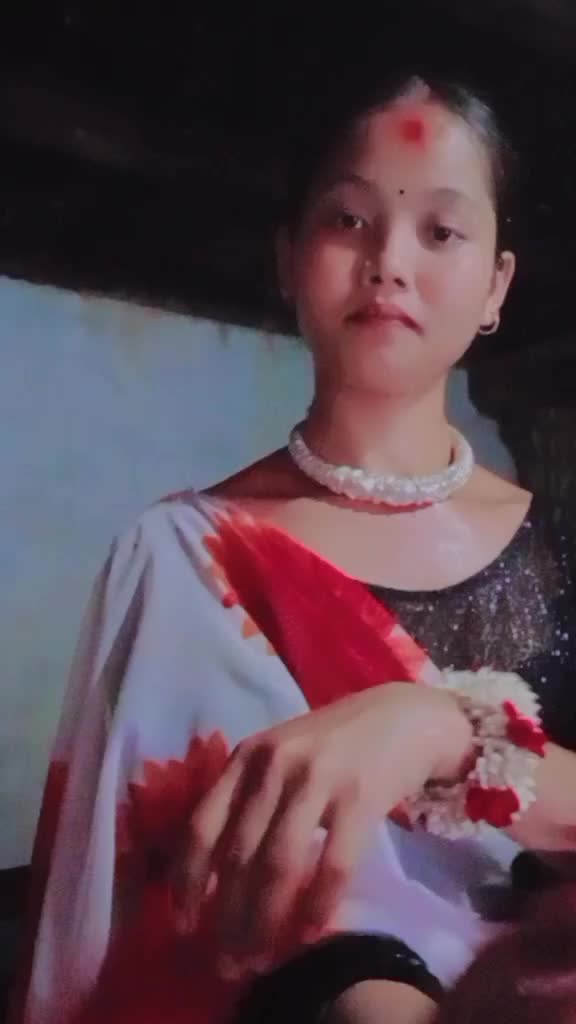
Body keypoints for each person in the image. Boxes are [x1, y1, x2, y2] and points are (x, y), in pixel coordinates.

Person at [12, 73, 576, 1024]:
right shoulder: (184, 560)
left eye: (441, 231)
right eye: (348, 220)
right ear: (288, 257)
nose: (389, 262)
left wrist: (442, 731)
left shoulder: (562, 549)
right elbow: (208, 915)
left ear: (496, 286)